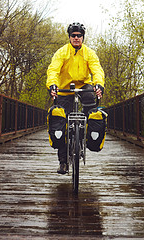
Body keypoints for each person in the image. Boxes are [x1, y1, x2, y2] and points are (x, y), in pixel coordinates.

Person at [46, 22, 105, 174]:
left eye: (79, 36)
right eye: (73, 36)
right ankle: (63, 162)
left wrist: (99, 84)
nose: (76, 38)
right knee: (61, 120)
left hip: (84, 85)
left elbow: (97, 69)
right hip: (65, 87)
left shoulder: (89, 53)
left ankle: (87, 133)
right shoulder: (62, 52)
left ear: (83, 37)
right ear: (70, 37)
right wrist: (53, 85)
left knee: (91, 107)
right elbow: (53, 69)